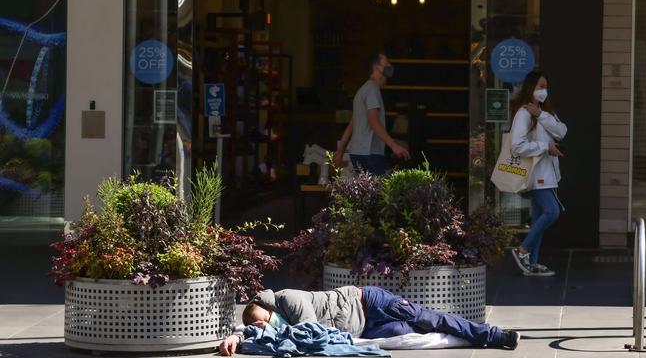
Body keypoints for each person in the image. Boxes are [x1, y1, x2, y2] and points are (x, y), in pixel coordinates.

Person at [218, 286, 520, 355]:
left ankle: (495, 335)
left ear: (266, 306)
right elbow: (255, 329)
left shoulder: (287, 299)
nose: (270, 327)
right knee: (417, 334)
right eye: (263, 327)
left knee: (430, 320)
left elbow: (309, 331)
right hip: (367, 328)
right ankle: (476, 338)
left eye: (267, 321)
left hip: (370, 301)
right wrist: (240, 336)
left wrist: (262, 334)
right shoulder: (270, 319)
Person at [509, 71, 567, 277]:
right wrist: (545, 147)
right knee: (552, 212)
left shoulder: (544, 112)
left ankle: (532, 263)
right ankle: (522, 250)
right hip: (535, 175)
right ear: (530, 88)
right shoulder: (523, 114)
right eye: (540, 86)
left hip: (550, 175)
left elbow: (562, 131)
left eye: (546, 87)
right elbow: (517, 147)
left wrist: (540, 114)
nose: (544, 91)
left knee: (538, 219)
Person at [332, 53, 410, 176]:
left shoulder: (362, 90)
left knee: (370, 193)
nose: (390, 66)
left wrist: (340, 151)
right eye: (387, 63)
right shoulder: (372, 90)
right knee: (385, 190)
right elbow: (373, 121)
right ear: (377, 67)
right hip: (369, 153)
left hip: (357, 153)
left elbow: (352, 124)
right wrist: (394, 146)